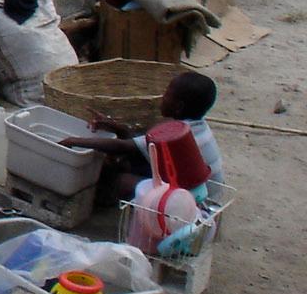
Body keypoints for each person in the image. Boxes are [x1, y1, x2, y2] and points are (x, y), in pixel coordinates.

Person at [60, 72, 223, 202]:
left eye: (167, 95)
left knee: (118, 179)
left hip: (195, 203)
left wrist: (73, 141)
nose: (162, 98)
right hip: (200, 191)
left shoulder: (176, 135)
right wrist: (115, 126)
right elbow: (141, 145)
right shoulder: (195, 125)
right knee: (130, 160)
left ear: (178, 106)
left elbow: (122, 146)